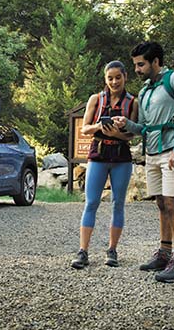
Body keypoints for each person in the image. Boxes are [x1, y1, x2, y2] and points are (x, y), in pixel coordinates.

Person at [113, 41, 174, 283]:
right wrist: (126, 124)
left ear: (156, 62)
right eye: (135, 65)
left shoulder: (171, 80)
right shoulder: (146, 90)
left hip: (171, 152)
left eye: (141, 65)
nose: (136, 70)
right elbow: (145, 129)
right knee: (161, 203)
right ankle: (164, 252)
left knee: (172, 204)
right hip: (152, 153)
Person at [71, 60, 138, 269]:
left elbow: (132, 134)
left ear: (125, 77)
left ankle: (112, 250)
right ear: (105, 79)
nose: (114, 81)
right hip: (98, 154)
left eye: (118, 77)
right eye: (110, 78)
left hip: (121, 156)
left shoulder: (132, 102)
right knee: (91, 203)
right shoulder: (96, 99)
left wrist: (117, 131)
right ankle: (83, 251)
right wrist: (101, 125)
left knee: (118, 203)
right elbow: (84, 129)